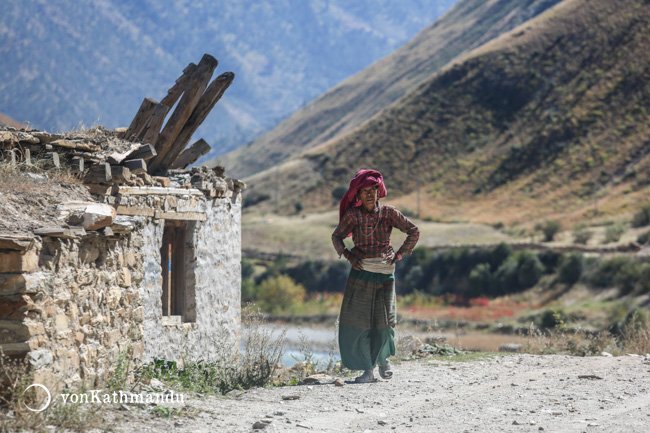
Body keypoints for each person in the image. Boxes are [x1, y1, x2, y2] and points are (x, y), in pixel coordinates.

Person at [331, 169, 419, 383]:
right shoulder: (353, 215)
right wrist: (350, 256)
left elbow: (413, 231)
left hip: (385, 275)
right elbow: (337, 237)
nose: (370, 194)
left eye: (374, 190)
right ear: (358, 196)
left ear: (379, 192)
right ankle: (367, 371)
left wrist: (399, 254)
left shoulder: (389, 213)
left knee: (384, 322)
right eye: (365, 191)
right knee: (360, 323)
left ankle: (383, 361)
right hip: (361, 275)